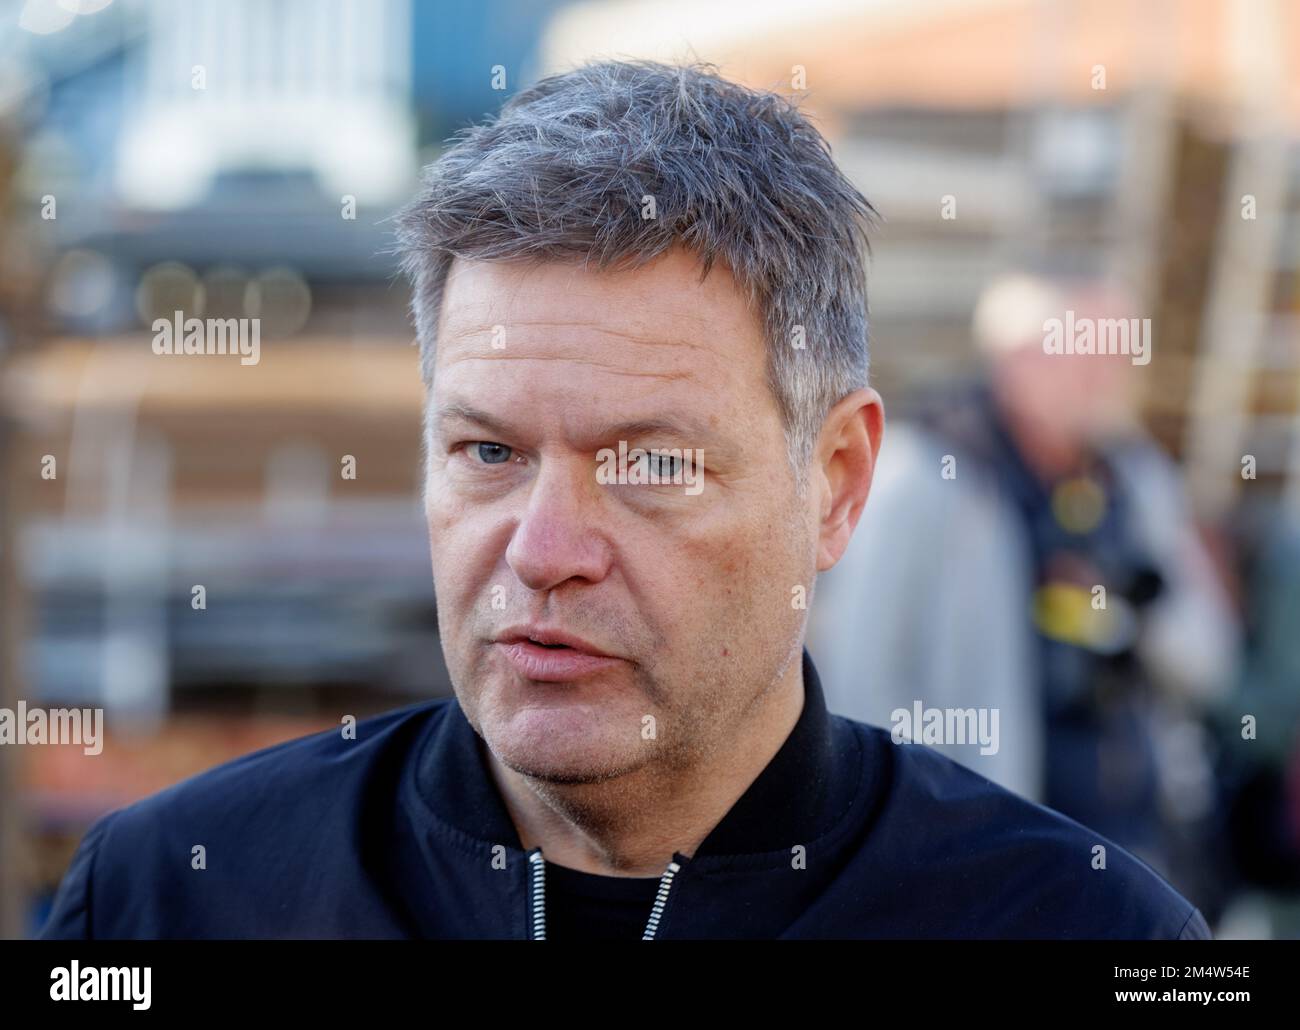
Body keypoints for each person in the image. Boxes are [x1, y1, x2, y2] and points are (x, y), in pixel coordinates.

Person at [40, 61, 1207, 940]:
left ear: (836, 483)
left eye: (651, 464)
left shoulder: (1080, 931)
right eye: (488, 453)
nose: (544, 552)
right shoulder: (170, 899)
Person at [808, 273, 1239, 903]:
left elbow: (1211, 662)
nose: (1107, 377)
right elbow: (859, 676)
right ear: (1016, 361)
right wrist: (919, 845)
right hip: (982, 864)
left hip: (1137, 859)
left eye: (1117, 355)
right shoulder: (925, 475)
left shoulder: (1136, 481)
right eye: (1085, 353)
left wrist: (1129, 612)